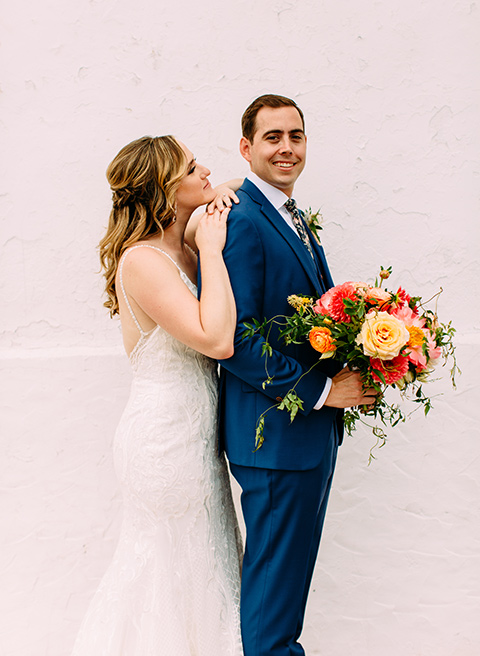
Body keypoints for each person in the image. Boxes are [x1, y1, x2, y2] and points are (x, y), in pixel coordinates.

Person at [71, 135, 244, 656]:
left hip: (197, 440)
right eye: (193, 169)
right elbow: (216, 339)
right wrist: (212, 248)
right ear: (167, 191)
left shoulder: (181, 244)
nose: (207, 170)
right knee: (173, 574)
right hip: (164, 442)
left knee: (209, 564)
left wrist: (235, 190)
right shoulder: (144, 261)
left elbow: (241, 183)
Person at [218, 95, 377, 656]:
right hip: (274, 440)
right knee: (273, 604)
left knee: (287, 597)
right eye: (272, 137)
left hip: (305, 438)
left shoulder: (290, 214)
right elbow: (234, 338)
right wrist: (325, 390)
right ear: (246, 147)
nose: (286, 148)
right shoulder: (243, 219)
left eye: (296, 136)